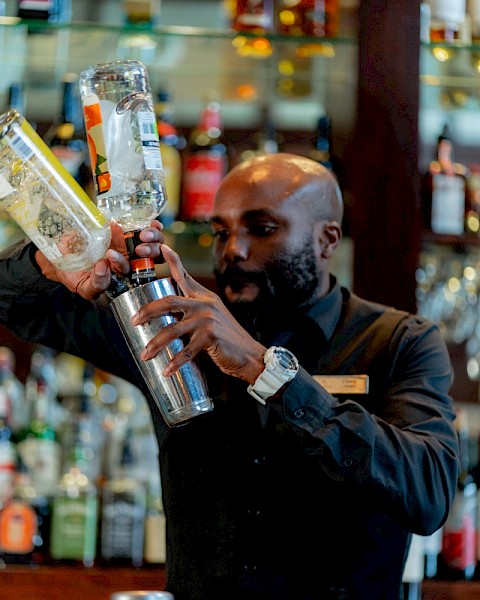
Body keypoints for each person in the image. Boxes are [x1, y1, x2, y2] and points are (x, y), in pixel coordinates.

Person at [0, 153, 459, 600]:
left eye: (261, 229)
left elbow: (428, 492)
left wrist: (267, 371)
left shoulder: (399, 341)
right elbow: (10, 300)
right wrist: (51, 263)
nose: (233, 250)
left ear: (328, 240)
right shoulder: (167, 326)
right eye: (221, 232)